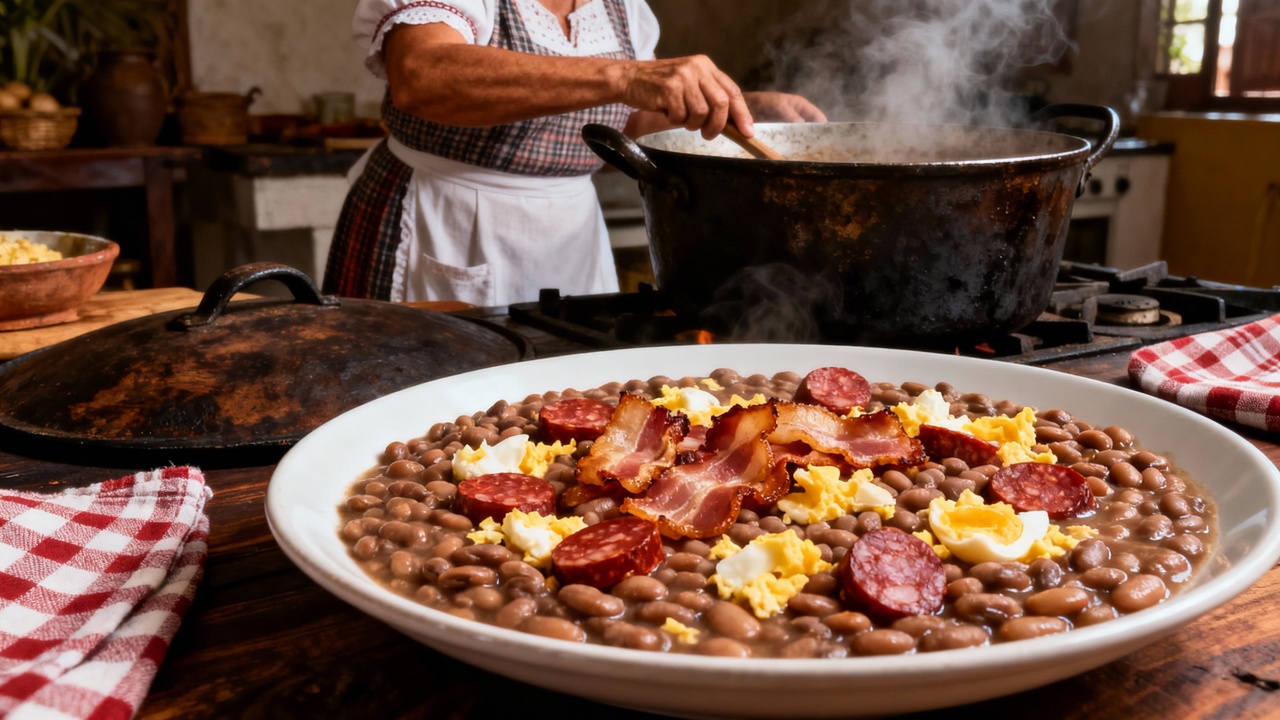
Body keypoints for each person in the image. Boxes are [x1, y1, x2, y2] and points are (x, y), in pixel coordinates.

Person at [324, 0, 826, 306]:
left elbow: (629, 119)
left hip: (570, 238)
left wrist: (734, 107)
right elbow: (423, 76)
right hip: (444, 220)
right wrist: (626, 75)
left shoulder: (619, 7)